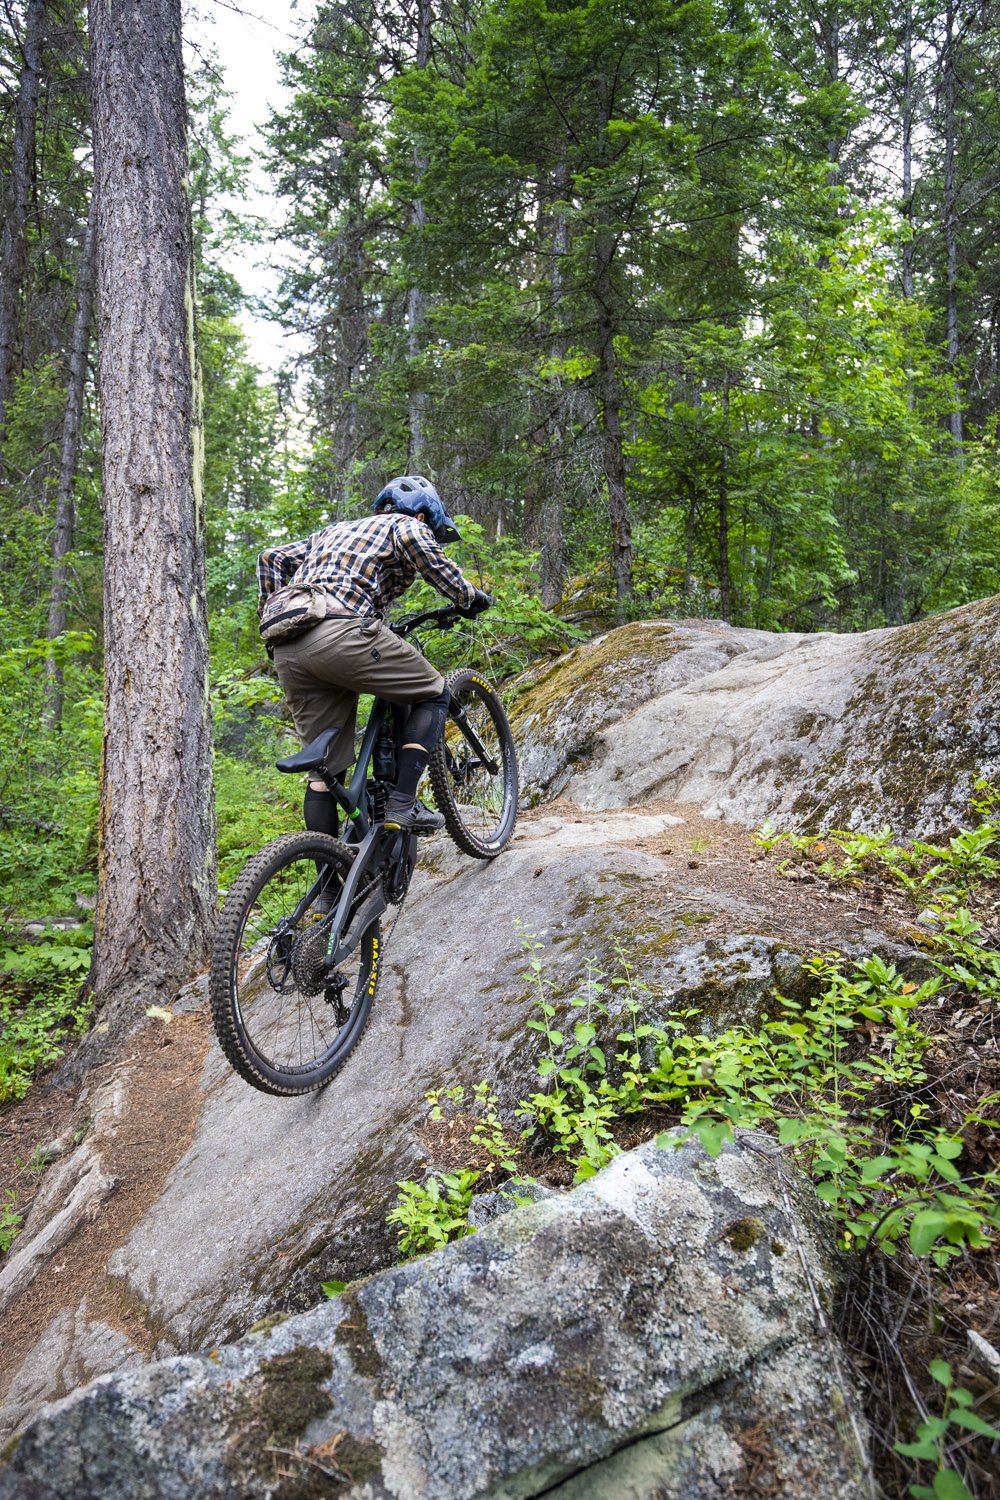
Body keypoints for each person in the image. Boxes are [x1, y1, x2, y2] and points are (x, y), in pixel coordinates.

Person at [257, 475, 490, 836]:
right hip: (341, 632)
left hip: (288, 649)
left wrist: (269, 614)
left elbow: (271, 558)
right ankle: (404, 804)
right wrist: (468, 596)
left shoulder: (332, 531)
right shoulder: (405, 524)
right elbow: (417, 543)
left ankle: (329, 873)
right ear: (423, 515)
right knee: (435, 691)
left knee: (324, 773)